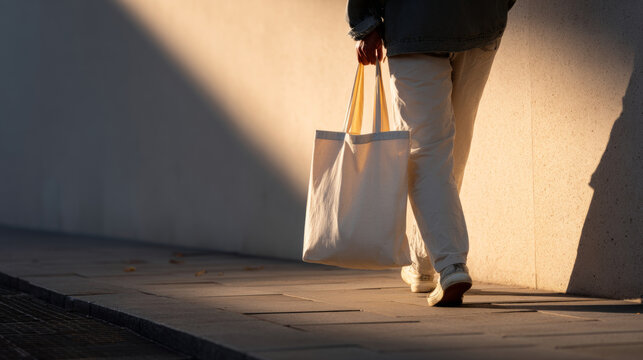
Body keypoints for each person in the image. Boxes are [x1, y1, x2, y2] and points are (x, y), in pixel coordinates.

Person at [346, 0, 516, 306]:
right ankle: (423, 263)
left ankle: (449, 264)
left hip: (415, 24)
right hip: (478, 23)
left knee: (428, 152)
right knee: (450, 152)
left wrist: (365, 22)